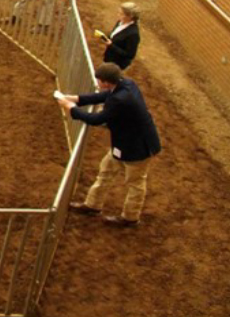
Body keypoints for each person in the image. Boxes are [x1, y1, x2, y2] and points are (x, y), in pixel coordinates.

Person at [58, 63, 161, 227]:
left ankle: (130, 218)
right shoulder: (126, 84)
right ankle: (92, 205)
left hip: (138, 148)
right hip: (123, 143)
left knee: (135, 183)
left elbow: (97, 119)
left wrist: (71, 109)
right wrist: (76, 99)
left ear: (106, 82)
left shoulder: (120, 99)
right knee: (105, 171)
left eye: (99, 80)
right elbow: (105, 96)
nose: (98, 83)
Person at [101, 2, 141, 70]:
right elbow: (114, 35)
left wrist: (111, 46)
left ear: (130, 16)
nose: (118, 15)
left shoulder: (133, 34)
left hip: (117, 65)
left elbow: (129, 55)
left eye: (121, 14)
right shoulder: (120, 22)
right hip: (109, 59)